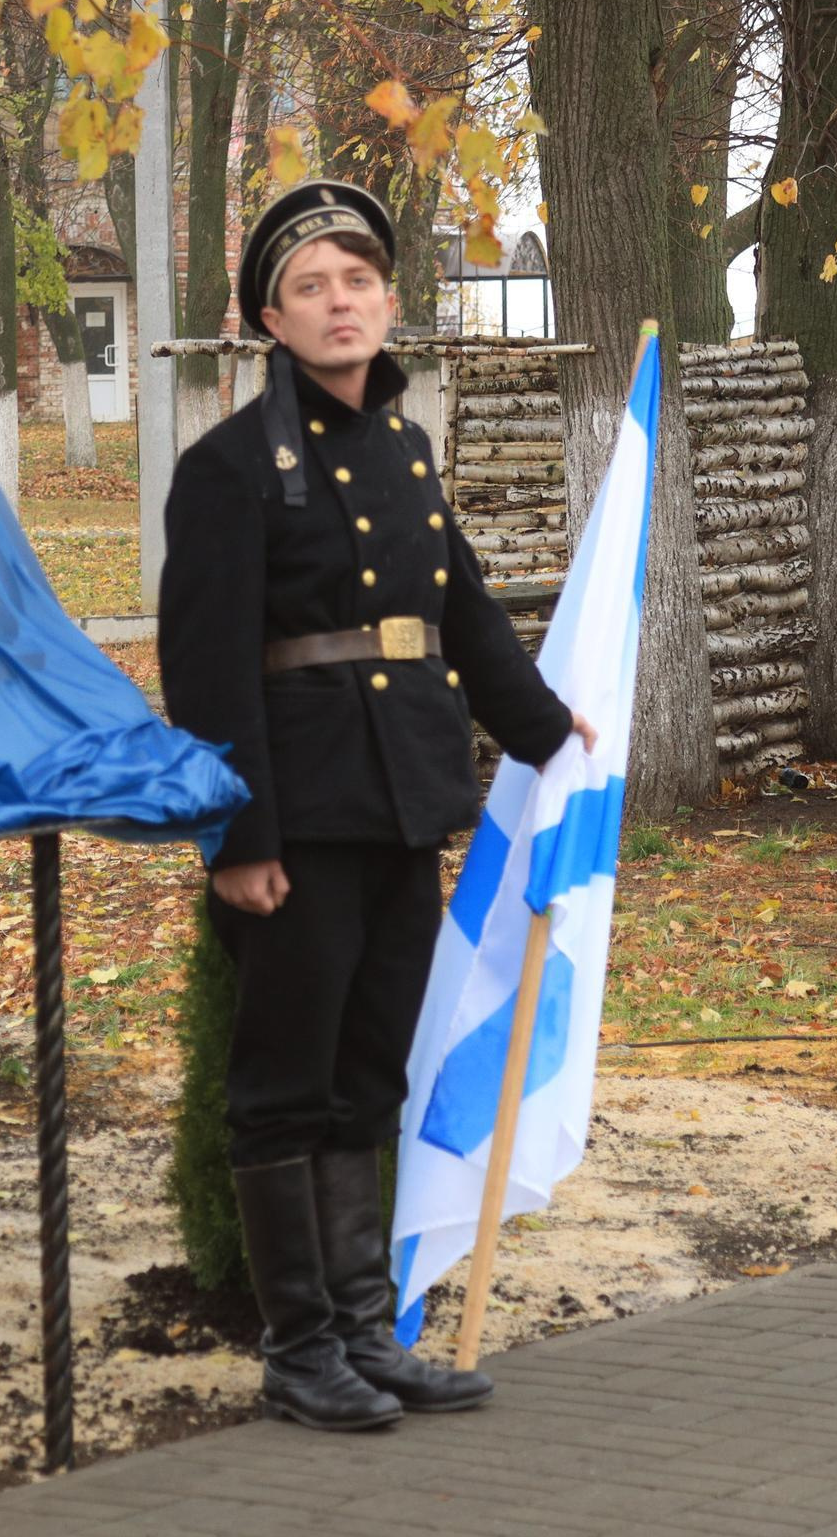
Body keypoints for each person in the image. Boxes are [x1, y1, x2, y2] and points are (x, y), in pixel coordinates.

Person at [159, 181, 593, 1431]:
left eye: (357, 281)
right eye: (311, 287)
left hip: (406, 797)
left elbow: (456, 608)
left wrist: (543, 723)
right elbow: (204, 668)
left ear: (392, 302)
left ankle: (362, 1327)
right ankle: (300, 1347)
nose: (338, 303)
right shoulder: (227, 470)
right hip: (296, 818)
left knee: (369, 1075)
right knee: (284, 1081)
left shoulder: (405, 447)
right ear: (267, 321)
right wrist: (236, 838)